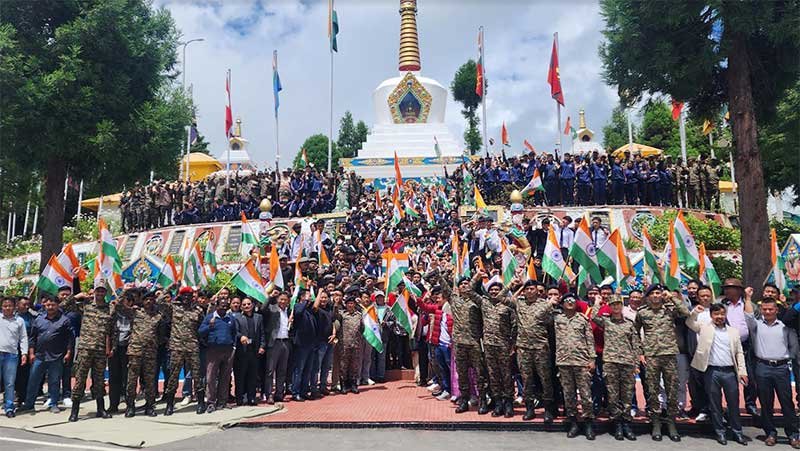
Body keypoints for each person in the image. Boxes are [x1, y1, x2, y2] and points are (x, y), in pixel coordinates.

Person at [686, 303, 748, 446]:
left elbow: (739, 352)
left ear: (725, 314)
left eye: (722, 314)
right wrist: (695, 312)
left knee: (733, 403)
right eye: (716, 314)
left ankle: (737, 432)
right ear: (711, 316)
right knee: (715, 404)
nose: (719, 317)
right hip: (711, 371)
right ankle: (720, 432)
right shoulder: (704, 328)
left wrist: (742, 371)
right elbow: (689, 322)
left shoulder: (733, 331)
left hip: (729, 372)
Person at [634, 284, 689, 442]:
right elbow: (635, 332)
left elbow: (686, 313)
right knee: (652, 390)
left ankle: (671, 422)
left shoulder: (670, 309)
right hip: (652, 355)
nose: (657, 295)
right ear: (648, 296)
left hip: (669, 354)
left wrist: (671, 297)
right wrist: (640, 352)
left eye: (659, 293)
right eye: (653, 293)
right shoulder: (642, 312)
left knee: (672, 389)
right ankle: (656, 422)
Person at [745, 294, 800, 448]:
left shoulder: (785, 326)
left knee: (786, 403)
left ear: (776, 310)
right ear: (761, 310)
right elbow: (748, 315)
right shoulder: (756, 325)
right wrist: (748, 298)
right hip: (762, 367)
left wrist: (789, 360)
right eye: (765, 309)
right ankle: (770, 433)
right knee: (766, 402)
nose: (768, 312)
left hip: (781, 368)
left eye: (771, 309)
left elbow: (794, 347)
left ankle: (793, 434)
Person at [465, 270, 516, 418]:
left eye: (496, 289)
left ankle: (508, 403)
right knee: (493, 376)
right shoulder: (484, 302)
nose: (494, 292)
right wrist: (477, 276)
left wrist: (512, 344)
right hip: (488, 346)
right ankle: (498, 402)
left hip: (504, 346)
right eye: (491, 290)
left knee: (506, 375)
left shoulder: (507, 305)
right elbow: (468, 290)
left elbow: (514, 326)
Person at [62, 280, 114, 422]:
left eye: (103, 291)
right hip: (85, 349)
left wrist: (110, 348)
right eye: (98, 290)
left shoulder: (110, 309)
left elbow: (112, 331)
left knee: (99, 380)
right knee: (80, 380)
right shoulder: (85, 306)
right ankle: (75, 411)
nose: (100, 293)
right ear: (94, 292)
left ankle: (101, 409)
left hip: (100, 350)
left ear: (105, 293)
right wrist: (76, 296)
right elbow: (63, 306)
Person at [590, 293, 639, 441]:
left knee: (627, 394)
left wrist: (636, 364)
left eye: (618, 304)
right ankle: (617, 423)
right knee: (612, 394)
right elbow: (593, 316)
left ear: (622, 306)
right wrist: (597, 302)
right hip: (610, 362)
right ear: (610, 307)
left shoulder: (629, 324)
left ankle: (626, 423)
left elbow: (635, 345)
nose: (616, 307)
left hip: (627, 363)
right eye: (613, 305)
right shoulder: (606, 322)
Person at [20, 295, 74, 414]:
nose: (50, 307)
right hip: (40, 356)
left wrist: (69, 352)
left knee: (54, 381)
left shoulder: (64, 320)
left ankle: (53, 404)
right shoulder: (39, 319)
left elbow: (70, 339)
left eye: (53, 305)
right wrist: (31, 353)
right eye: (48, 305)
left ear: (57, 305)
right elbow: (32, 338)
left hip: (57, 356)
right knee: (33, 380)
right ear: (44, 305)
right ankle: (29, 404)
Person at [513, 280, 556, 422]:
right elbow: (503, 299)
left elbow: (550, 324)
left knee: (545, 379)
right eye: (527, 289)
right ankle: (529, 409)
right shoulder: (519, 303)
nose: (530, 291)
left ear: (537, 291)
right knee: (527, 380)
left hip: (540, 348)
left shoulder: (545, 304)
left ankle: (549, 410)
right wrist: (519, 287)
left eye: (532, 289)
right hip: (523, 348)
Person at [554, 293, 596, 440]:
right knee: (569, 395)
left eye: (573, 300)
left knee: (586, 394)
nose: (570, 302)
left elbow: (590, 340)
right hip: (564, 362)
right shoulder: (556, 318)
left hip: (581, 361)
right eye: (567, 300)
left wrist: (592, 359)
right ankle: (573, 422)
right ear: (562, 303)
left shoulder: (582, 320)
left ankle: (588, 423)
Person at [162, 286, 206, 415]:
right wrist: (169, 288)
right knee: (173, 376)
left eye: (189, 296)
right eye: (184, 295)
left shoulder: (198, 310)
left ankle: (200, 403)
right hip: (177, 347)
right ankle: (170, 404)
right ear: (180, 296)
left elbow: (202, 327)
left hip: (192, 347)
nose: (186, 298)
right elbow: (160, 302)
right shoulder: (174, 308)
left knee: (197, 376)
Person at [121, 289, 164, 418]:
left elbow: (161, 333)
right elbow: (119, 307)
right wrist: (124, 292)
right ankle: (130, 406)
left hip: (150, 353)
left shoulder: (158, 316)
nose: (149, 301)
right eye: (146, 299)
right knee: (132, 380)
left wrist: (163, 292)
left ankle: (150, 406)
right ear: (142, 301)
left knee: (150, 381)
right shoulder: (135, 312)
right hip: (135, 351)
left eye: (151, 299)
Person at [199, 297, 237, 413]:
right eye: (222, 305)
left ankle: (222, 402)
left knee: (225, 377)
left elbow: (234, 333)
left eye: (226, 306)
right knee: (211, 378)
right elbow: (200, 332)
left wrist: (234, 346)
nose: (224, 308)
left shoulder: (230, 318)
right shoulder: (210, 317)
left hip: (228, 350)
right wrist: (208, 327)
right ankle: (210, 402)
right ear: (217, 306)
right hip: (213, 350)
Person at [233, 297, 265, 406]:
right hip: (242, 351)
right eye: (244, 304)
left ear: (252, 305)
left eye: (248, 304)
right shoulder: (237, 318)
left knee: (253, 376)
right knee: (240, 376)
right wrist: (241, 336)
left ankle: (251, 398)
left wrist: (262, 346)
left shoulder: (259, 317)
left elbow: (262, 333)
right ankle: (240, 398)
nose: (247, 306)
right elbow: (234, 331)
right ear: (241, 306)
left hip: (254, 351)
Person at [0, 297, 28, 417]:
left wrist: (24, 353)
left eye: (10, 305)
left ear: (15, 306)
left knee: (10, 383)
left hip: (12, 355)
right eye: (5, 305)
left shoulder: (19, 321)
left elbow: (23, 338)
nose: (7, 308)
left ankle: (9, 407)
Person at [263, 291, 291, 404]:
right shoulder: (272, 308)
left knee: (282, 370)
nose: (283, 301)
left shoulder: (288, 311)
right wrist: (270, 297)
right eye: (281, 299)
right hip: (274, 343)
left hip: (285, 342)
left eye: (285, 300)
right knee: (270, 371)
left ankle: (279, 393)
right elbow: (263, 309)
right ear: (278, 299)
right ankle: (269, 394)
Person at [337, 296, 363, 393]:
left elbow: (362, 328)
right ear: (346, 305)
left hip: (355, 344)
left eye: (352, 303)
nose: (350, 305)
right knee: (343, 365)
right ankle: (344, 385)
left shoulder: (359, 315)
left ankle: (353, 384)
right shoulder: (342, 315)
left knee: (354, 365)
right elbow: (335, 317)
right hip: (344, 344)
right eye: (348, 304)